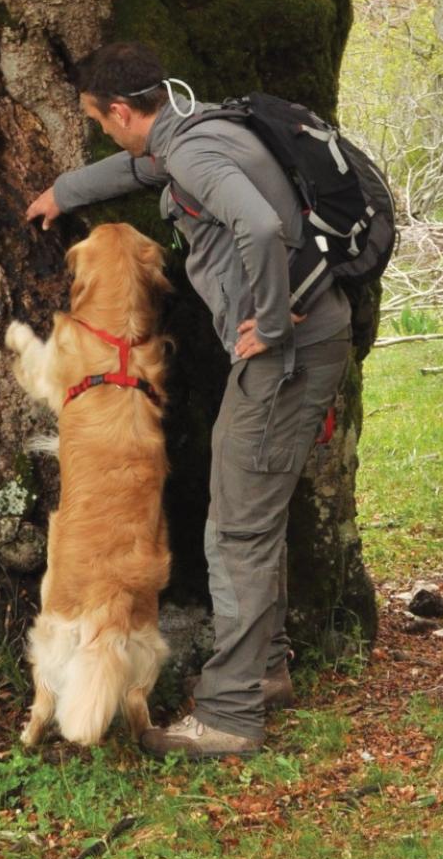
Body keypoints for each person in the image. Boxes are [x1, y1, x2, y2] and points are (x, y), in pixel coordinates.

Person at [24, 41, 352, 761]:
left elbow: (260, 227)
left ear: (119, 110)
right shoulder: (193, 128)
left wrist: (268, 323)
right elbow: (141, 166)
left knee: (235, 528)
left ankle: (232, 713)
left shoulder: (195, 156)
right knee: (253, 512)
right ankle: (264, 672)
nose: (108, 135)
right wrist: (67, 192)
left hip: (285, 357)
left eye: (102, 122)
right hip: (303, 343)